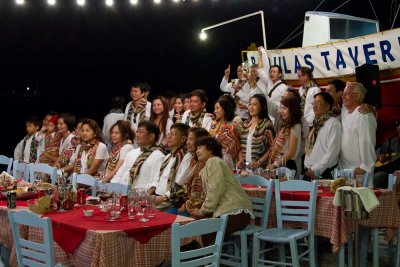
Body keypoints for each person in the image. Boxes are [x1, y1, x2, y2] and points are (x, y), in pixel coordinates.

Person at [190, 136, 253, 246]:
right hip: (233, 214)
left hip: (234, 213)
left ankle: (202, 261)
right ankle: (202, 259)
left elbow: (215, 189)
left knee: (198, 231)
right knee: (195, 227)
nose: (197, 151)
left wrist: (202, 211)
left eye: (200, 148)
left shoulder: (213, 161)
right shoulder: (210, 165)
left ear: (210, 149)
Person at [339, 82, 377, 179]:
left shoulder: (364, 115)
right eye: (343, 94)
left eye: (346, 94)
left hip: (360, 173)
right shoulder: (344, 110)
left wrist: (365, 167)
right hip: (344, 172)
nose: (343, 97)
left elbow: (367, 142)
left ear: (357, 96)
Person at [148, 123, 190, 211]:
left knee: (145, 213)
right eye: (169, 133)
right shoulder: (168, 156)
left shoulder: (185, 157)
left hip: (170, 200)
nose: (169, 137)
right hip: (157, 196)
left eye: (173, 134)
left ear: (183, 139)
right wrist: (150, 195)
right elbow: (157, 178)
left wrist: (161, 198)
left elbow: (179, 184)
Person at [110, 121, 165, 187]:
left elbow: (155, 182)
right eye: (137, 131)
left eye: (141, 132)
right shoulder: (132, 152)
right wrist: (112, 188)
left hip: (139, 194)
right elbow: (119, 174)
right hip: (120, 191)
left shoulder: (158, 156)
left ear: (151, 136)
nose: (137, 135)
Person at [303, 92, 341, 180]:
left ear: (328, 106)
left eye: (318, 103)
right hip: (309, 171)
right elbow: (310, 149)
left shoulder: (333, 123)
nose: (314, 106)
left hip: (324, 172)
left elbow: (332, 153)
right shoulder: (316, 123)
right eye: (314, 103)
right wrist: (307, 166)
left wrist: (316, 169)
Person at [177, 127, 210, 216]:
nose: (187, 142)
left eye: (191, 139)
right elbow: (180, 182)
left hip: (197, 208)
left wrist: (185, 206)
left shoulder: (206, 164)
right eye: (187, 139)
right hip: (184, 201)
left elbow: (202, 197)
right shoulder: (190, 157)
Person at [237, 94, 275, 171]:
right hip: (246, 167)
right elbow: (240, 146)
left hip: (260, 169)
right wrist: (241, 159)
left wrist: (258, 163)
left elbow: (271, 148)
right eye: (250, 104)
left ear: (262, 106)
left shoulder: (267, 124)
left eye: (254, 104)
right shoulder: (245, 124)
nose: (251, 107)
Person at [268, 96, 302, 171]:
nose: (281, 111)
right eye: (281, 108)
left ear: (292, 110)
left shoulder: (295, 126)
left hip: (287, 164)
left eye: (284, 108)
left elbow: (291, 152)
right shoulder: (284, 124)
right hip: (280, 163)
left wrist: (275, 164)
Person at [209, 95, 241, 169]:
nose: (215, 111)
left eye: (217, 108)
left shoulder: (233, 124)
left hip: (229, 159)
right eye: (214, 109)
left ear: (225, 109)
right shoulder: (214, 124)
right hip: (214, 158)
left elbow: (239, 145)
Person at [374, 120, 400, 188]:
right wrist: (380, 158)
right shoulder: (391, 142)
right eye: (399, 132)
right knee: (378, 177)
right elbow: (375, 155)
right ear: (397, 131)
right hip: (390, 172)